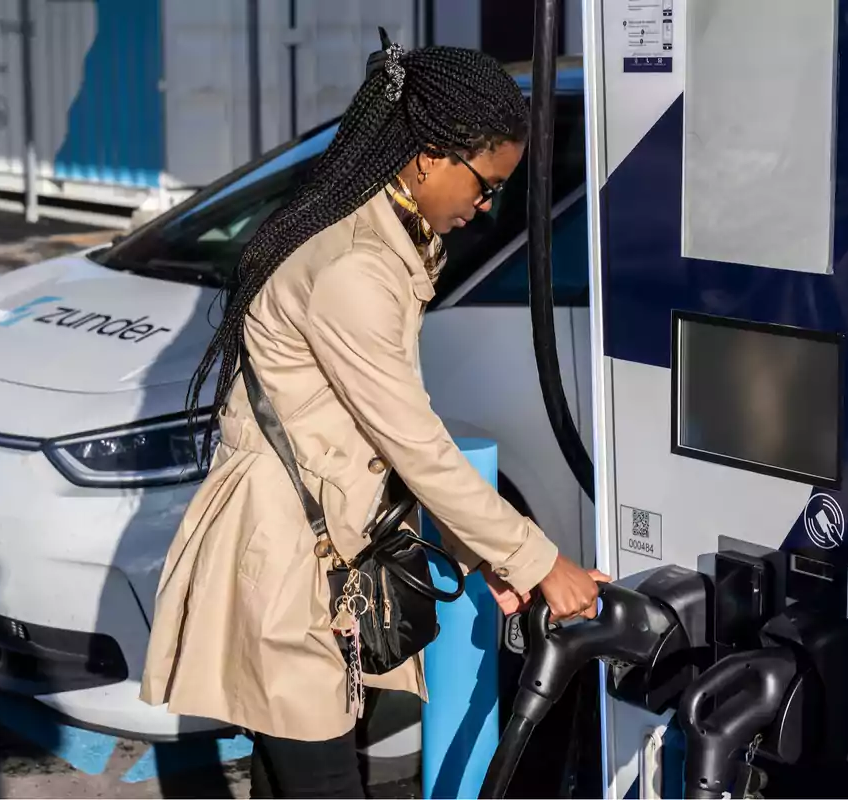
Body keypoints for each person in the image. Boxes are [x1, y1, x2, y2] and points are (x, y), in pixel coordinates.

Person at [139, 34, 608, 798]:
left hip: (314, 546)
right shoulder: (355, 267)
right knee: (319, 780)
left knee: (288, 778)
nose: (486, 208)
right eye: (485, 185)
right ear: (429, 155)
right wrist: (535, 560)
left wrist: (488, 555)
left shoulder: (380, 240)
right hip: (285, 556)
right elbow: (414, 442)